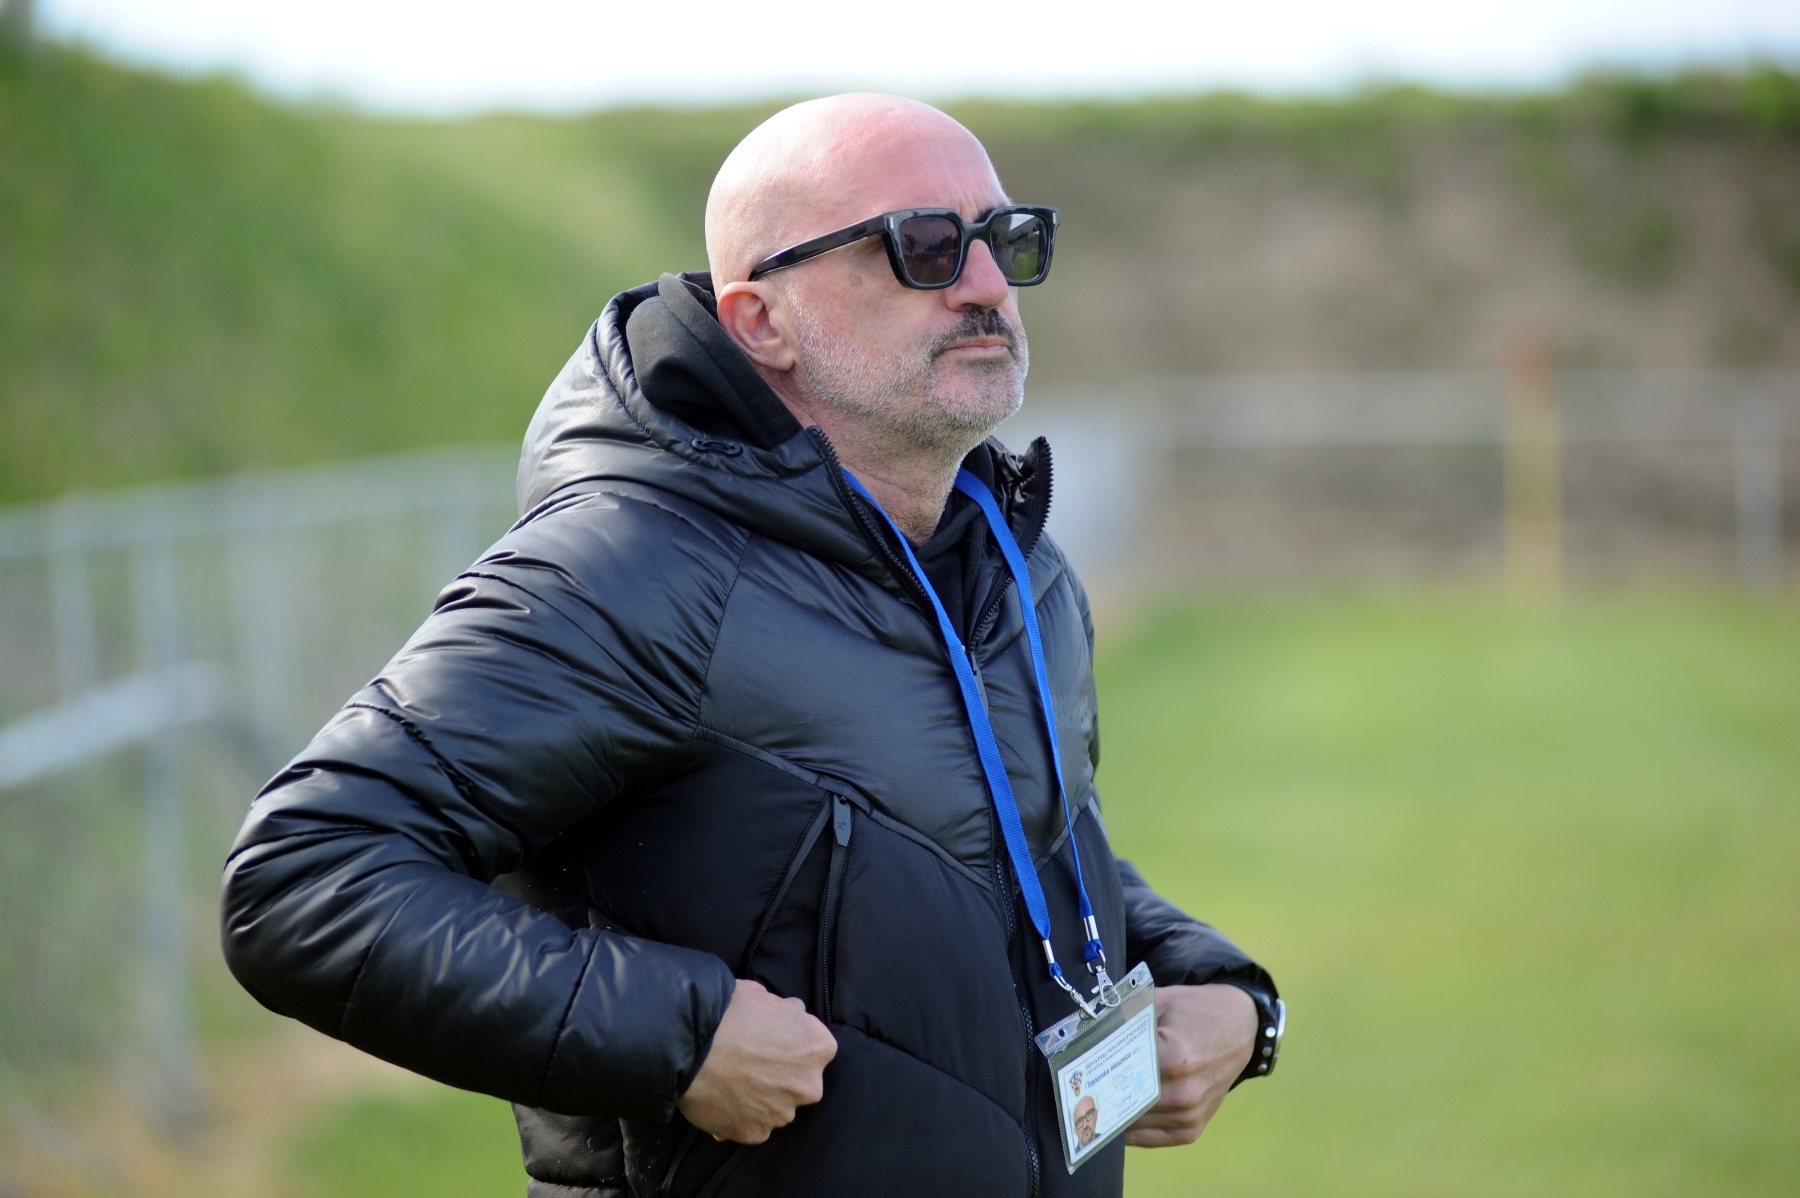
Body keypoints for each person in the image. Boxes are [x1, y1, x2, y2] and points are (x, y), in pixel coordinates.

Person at [221, 93, 1280, 1198]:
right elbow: (304, 876)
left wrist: (1226, 992)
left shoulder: (1017, 563)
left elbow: (997, 841)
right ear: (759, 320)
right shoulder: (627, 568)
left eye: (1006, 239)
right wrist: (677, 1034)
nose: (984, 285)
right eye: (922, 246)